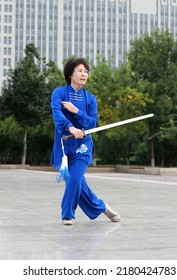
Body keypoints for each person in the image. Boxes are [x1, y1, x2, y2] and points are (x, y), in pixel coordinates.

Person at [50, 57, 121, 226]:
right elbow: (57, 116)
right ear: (70, 74)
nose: (84, 74)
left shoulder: (90, 99)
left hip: (82, 146)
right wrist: (71, 128)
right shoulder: (59, 93)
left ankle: (67, 215)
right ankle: (102, 206)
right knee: (78, 183)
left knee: (75, 179)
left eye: (86, 72)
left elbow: (92, 123)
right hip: (63, 147)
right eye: (80, 71)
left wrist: (76, 112)